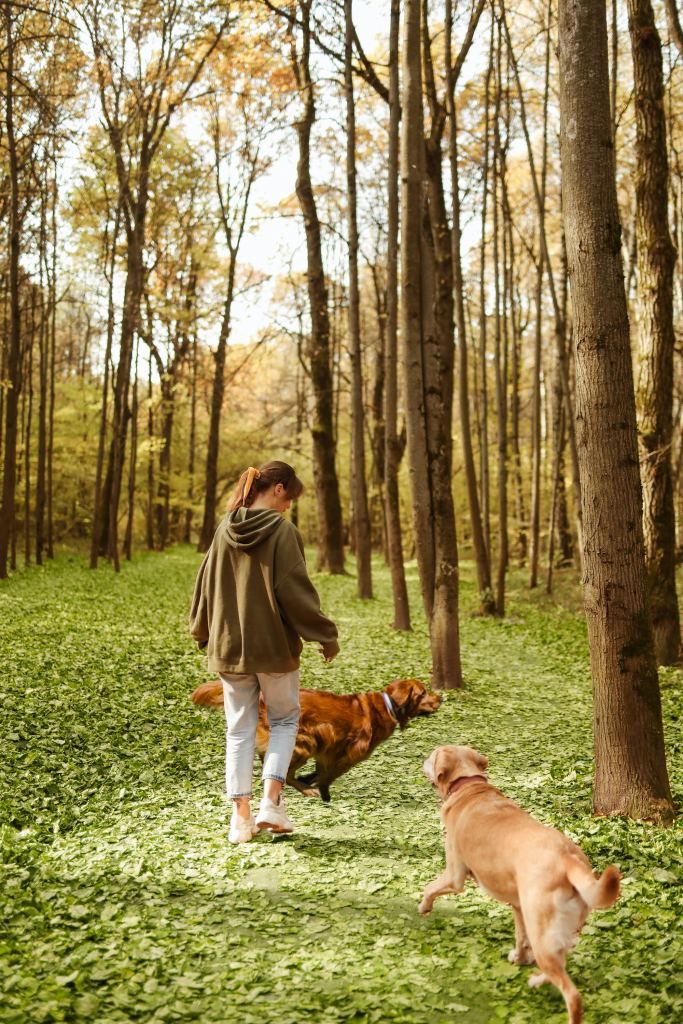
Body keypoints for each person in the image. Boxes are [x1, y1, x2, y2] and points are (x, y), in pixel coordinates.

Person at [189, 460, 339, 844]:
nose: (288, 506)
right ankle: (271, 804)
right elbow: (295, 591)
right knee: (285, 721)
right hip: (273, 649)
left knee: (238, 732)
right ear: (278, 489)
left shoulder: (225, 528)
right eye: (289, 497)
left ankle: (241, 821)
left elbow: (204, 584)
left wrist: (202, 630)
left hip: (229, 649)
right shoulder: (282, 532)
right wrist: (325, 635)